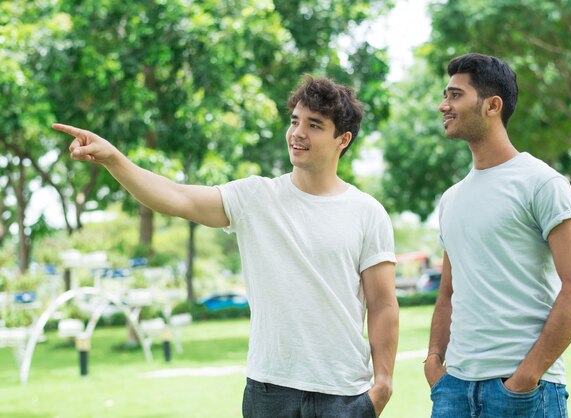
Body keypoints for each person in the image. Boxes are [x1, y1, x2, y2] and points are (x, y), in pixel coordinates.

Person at [53, 75, 398, 417]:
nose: (298, 133)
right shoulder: (255, 197)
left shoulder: (367, 213)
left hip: (343, 394)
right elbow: (176, 197)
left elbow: (382, 304)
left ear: (343, 139)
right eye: (294, 121)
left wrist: (382, 386)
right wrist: (115, 158)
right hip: (269, 390)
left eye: (314, 125)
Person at [423, 53, 571, 417]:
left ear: (492, 105)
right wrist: (435, 362)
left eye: (455, 95)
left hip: (522, 392)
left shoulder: (541, 183)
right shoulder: (452, 199)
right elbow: (448, 293)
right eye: (445, 95)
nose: (443, 105)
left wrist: (526, 377)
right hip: (453, 389)